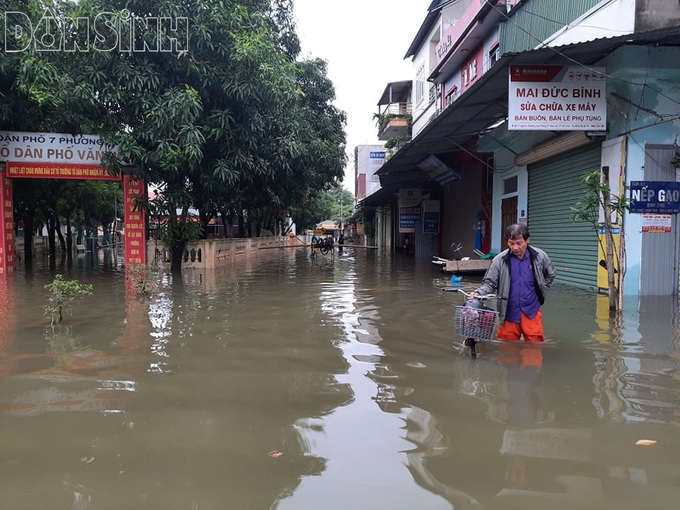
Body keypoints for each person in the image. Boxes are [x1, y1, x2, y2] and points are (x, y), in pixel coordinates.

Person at [470, 223, 555, 342]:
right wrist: (477, 294)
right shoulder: (499, 260)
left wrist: (541, 290)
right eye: (511, 243)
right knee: (507, 350)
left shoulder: (540, 256)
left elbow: (550, 275)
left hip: (531, 310)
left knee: (534, 349)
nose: (515, 247)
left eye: (519, 243)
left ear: (527, 240)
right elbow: (490, 283)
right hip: (508, 312)